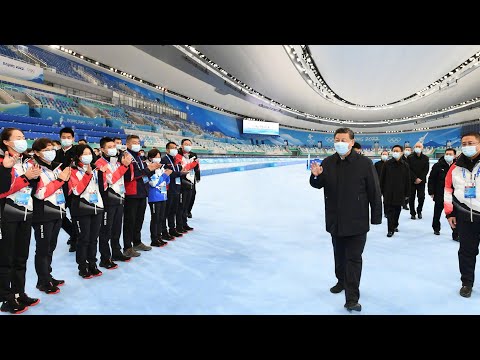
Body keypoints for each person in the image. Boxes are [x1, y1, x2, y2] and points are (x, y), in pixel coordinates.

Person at [309, 128, 382, 312]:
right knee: (338, 255)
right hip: (335, 220)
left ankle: (352, 298)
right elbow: (318, 184)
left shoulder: (365, 163)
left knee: (353, 259)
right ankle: (341, 280)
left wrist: (376, 217)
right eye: (336, 139)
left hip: (357, 222)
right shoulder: (328, 162)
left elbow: (374, 191)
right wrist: (315, 175)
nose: (339, 142)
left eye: (343, 139)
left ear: (351, 142)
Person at [0, 128, 40, 314]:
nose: (22, 140)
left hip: (26, 213)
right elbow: (3, 190)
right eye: (18, 138)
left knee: (21, 257)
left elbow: (30, 187)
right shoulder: (2, 162)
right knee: (6, 260)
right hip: (7, 216)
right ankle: (6, 298)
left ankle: (19, 292)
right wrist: (21, 176)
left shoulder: (25, 162)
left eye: (23, 137)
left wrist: (33, 177)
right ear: (6, 142)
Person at [31, 138, 70, 294]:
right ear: (37, 152)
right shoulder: (35, 168)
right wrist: (60, 180)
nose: (51, 152)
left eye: (52, 148)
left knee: (51, 247)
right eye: (46, 149)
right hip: (42, 214)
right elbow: (40, 193)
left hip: (57, 211)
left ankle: (48, 276)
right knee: (42, 248)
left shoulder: (55, 167)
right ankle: (42, 281)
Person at [445, 132, 480, 298]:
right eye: (464, 144)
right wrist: (450, 212)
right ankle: (467, 282)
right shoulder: (455, 166)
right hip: (466, 215)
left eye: (471, 143)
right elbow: (447, 190)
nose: (467, 146)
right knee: (466, 251)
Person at [95, 137, 133, 268]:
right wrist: (125, 166)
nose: (113, 148)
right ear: (102, 149)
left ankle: (116, 252)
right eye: (109, 146)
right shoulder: (99, 163)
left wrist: (127, 164)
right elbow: (111, 179)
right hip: (108, 201)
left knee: (117, 228)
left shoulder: (117, 161)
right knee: (106, 230)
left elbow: (126, 177)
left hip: (120, 198)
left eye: (114, 146)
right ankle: (105, 258)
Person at [68, 145, 105, 279]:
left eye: (90, 153)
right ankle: (82, 266)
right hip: (81, 208)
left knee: (93, 238)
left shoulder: (95, 169)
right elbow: (77, 190)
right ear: (78, 156)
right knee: (83, 239)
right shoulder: (72, 171)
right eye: (85, 153)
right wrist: (87, 175)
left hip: (97, 207)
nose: (88, 156)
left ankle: (93, 264)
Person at [122, 135, 161, 257]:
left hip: (142, 192)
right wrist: (148, 169)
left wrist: (151, 169)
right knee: (130, 221)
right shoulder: (126, 156)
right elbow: (129, 176)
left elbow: (144, 173)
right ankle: (127, 247)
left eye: (138, 142)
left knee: (139, 219)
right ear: (127, 144)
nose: (137, 144)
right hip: (131, 193)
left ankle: (137, 242)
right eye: (134, 142)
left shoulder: (139, 156)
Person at [54, 127, 78, 252]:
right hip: (59, 190)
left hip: (74, 190)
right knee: (60, 216)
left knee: (75, 216)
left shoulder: (77, 152)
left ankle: (75, 240)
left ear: (73, 139)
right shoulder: (55, 154)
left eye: (69, 138)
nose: (66, 140)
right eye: (64, 137)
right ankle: (74, 234)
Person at [379, 145, 411, 237]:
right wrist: (381, 190)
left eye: (397, 151)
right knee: (389, 211)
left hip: (400, 192)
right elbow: (382, 178)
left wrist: (407, 193)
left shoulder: (405, 165)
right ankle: (390, 229)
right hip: (388, 192)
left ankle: (395, 224)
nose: (395, 152)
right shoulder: (387, 164)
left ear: (401, 152)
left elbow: (407, 180)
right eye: (394, 151)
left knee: (397, 210)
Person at [161, 142, 191, 238]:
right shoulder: (164, 160)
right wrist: (179, 173)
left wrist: (181, 172)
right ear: (167, 150)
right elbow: (167, 173)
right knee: (166, 211)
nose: (175, 149)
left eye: (175, 147)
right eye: (172, 148)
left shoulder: (176, 160)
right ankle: (163, 231)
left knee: (173, 210)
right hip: (169, 189)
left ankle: (172, 229)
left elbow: (178, 171)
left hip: (177, 189)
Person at [428, 148, 458, 239]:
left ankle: (455, 233)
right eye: (447, 154)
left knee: (453, 214)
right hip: (439, 193)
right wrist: (431, 191)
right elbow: (431, 179)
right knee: (437, 212)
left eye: (450, 154)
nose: (448, 155)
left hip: (453, 195)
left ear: (454, 156)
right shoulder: (438, 165)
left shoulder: (458, 166)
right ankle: (436, 227)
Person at [147, 148, 172, 247]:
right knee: (155, 218)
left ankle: (159, 236)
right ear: (150, 158)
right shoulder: (149, 169)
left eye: (159, 157)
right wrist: (164, 175)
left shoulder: (161, 168)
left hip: (163, 195)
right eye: (155, 157)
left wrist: (166, 174)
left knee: (161, 218)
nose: (158, 159)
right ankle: (154, 239)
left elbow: (167, 181)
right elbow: (153, 183)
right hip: (154, 197)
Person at [177, 139, 199, 231]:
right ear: (181, 145)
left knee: (188, 202)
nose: (188, 146)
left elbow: (197, 167)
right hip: (182, 182)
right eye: (186, 144)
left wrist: (197, 177)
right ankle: (179, 225)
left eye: (189, 144)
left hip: (191, 181)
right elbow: (183, 168)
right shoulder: (178, 155)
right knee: (181, 204)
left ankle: (184, 222)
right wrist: (192, 164)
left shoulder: (193, 155)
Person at [407, 142, 429, 219]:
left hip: (421, 181)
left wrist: (420, 178)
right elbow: (408, 169)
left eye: (419, 146)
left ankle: (419, 211)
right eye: (416, 146)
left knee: (421, 197)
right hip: (412, 181)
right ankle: (412, 213)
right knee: (411, 198)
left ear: (422, 148)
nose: (418, 147)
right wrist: (415, 178)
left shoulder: (426, 158)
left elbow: (426, 170)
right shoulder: (409, 157)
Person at [402, 146, 413, 210]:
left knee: (408, 191)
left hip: (410, 177)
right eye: (406, 150)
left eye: (409, 150)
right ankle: (402, 202)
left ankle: (405, 203)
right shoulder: (401, 158)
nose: (407, 151)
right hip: (402, 177)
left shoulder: (412, 158)